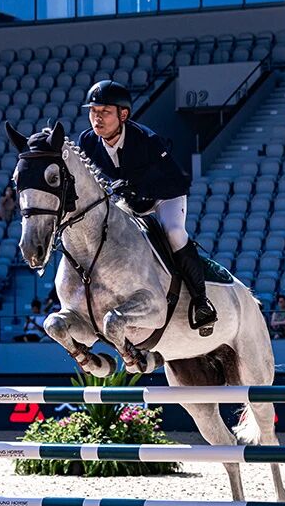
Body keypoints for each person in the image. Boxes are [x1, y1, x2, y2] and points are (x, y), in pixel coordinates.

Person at [76, 79, 217, 334]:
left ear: (123, 115)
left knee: (174, 233)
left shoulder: (147, 140)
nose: (97, 118)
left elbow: (175, 181)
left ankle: (201, 301)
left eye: (105, 112)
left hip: (163, 197)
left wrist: (137, 189)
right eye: (93, 111)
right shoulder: (86, 142)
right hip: (126, 203)